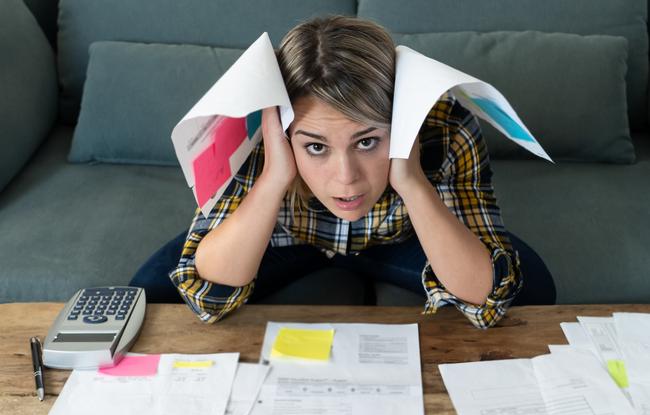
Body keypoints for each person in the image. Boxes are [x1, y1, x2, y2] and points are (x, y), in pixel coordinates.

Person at [130, 15, 556, 328]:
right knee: (147, 293)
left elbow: (486, 295)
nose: (346, 178)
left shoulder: (446, 125)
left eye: (367, 141)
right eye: (316, 146)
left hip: (398, 238)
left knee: (531, 285)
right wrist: (276, 175)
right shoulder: (260, 131)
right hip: (286, 238)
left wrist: (411, 180)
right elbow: (208, 296)